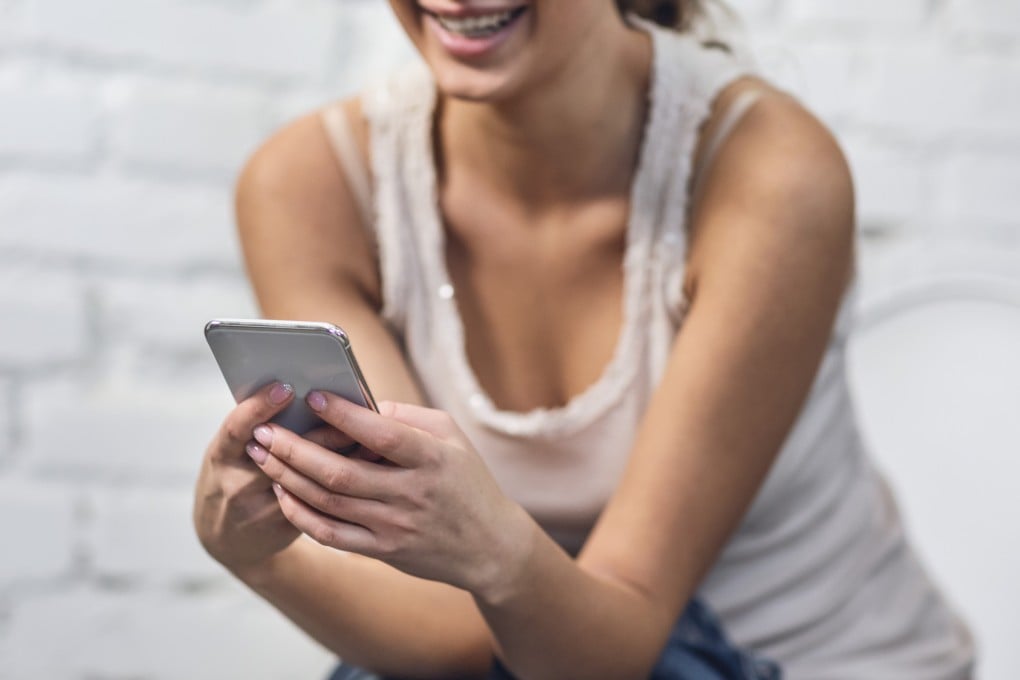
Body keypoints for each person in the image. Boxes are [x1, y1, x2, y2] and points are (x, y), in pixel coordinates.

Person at [192, 1, 975, 678]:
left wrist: (491, 555)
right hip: (527, 652)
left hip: (795, 659)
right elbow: (456, 628)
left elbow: (616, 650)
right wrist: (254, 553)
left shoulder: (770, 176)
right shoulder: (311, 183)